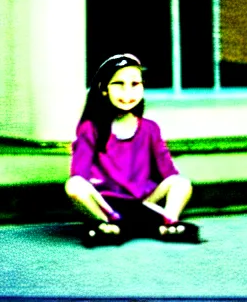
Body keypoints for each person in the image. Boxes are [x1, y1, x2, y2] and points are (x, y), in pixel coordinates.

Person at [65, 53, 200, 247]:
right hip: (108, 202)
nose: (127, 91)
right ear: (104, 89)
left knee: (180, 183)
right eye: (119, 84)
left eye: (135, 84)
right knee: (74, 186)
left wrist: (161, 192)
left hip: (142, 201)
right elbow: (79, 174)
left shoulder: (149, 128)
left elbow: (168, 172)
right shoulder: (90, 128)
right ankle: (112, 222)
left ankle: (168, 222)